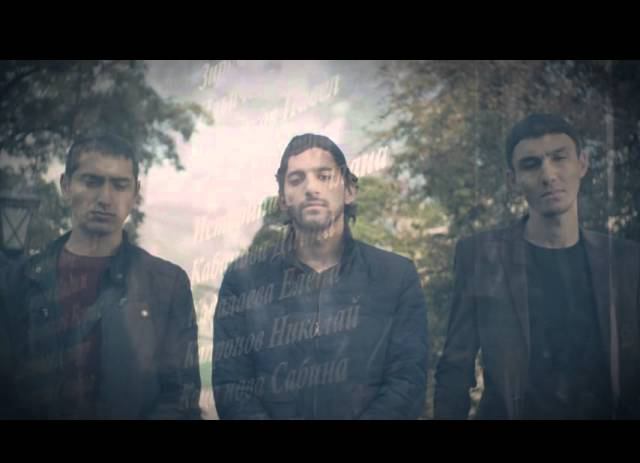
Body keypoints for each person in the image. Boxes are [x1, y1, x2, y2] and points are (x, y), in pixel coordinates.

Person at [435, 113, 640, 419]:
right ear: (512, 180)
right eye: (531, 164)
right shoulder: (482, 256)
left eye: (559, 158)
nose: (548, 175)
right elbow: (455, 367)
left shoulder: (625, 260)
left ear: (582, 164)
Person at [213, 133, 428, 419]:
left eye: (324, 177)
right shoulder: (244, 280)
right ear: (283, 199)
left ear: (349, 190)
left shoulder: (396, 277)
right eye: (296, 179)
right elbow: (232, 387)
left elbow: (407, 383)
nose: (311, 188)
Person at [0, 133, 201, 419]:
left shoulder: (167, 284)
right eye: (91, 181)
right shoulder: (17, 282)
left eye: (119, 185)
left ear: (135, 193)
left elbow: (181, 395)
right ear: (66, 186)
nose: (105, 198)